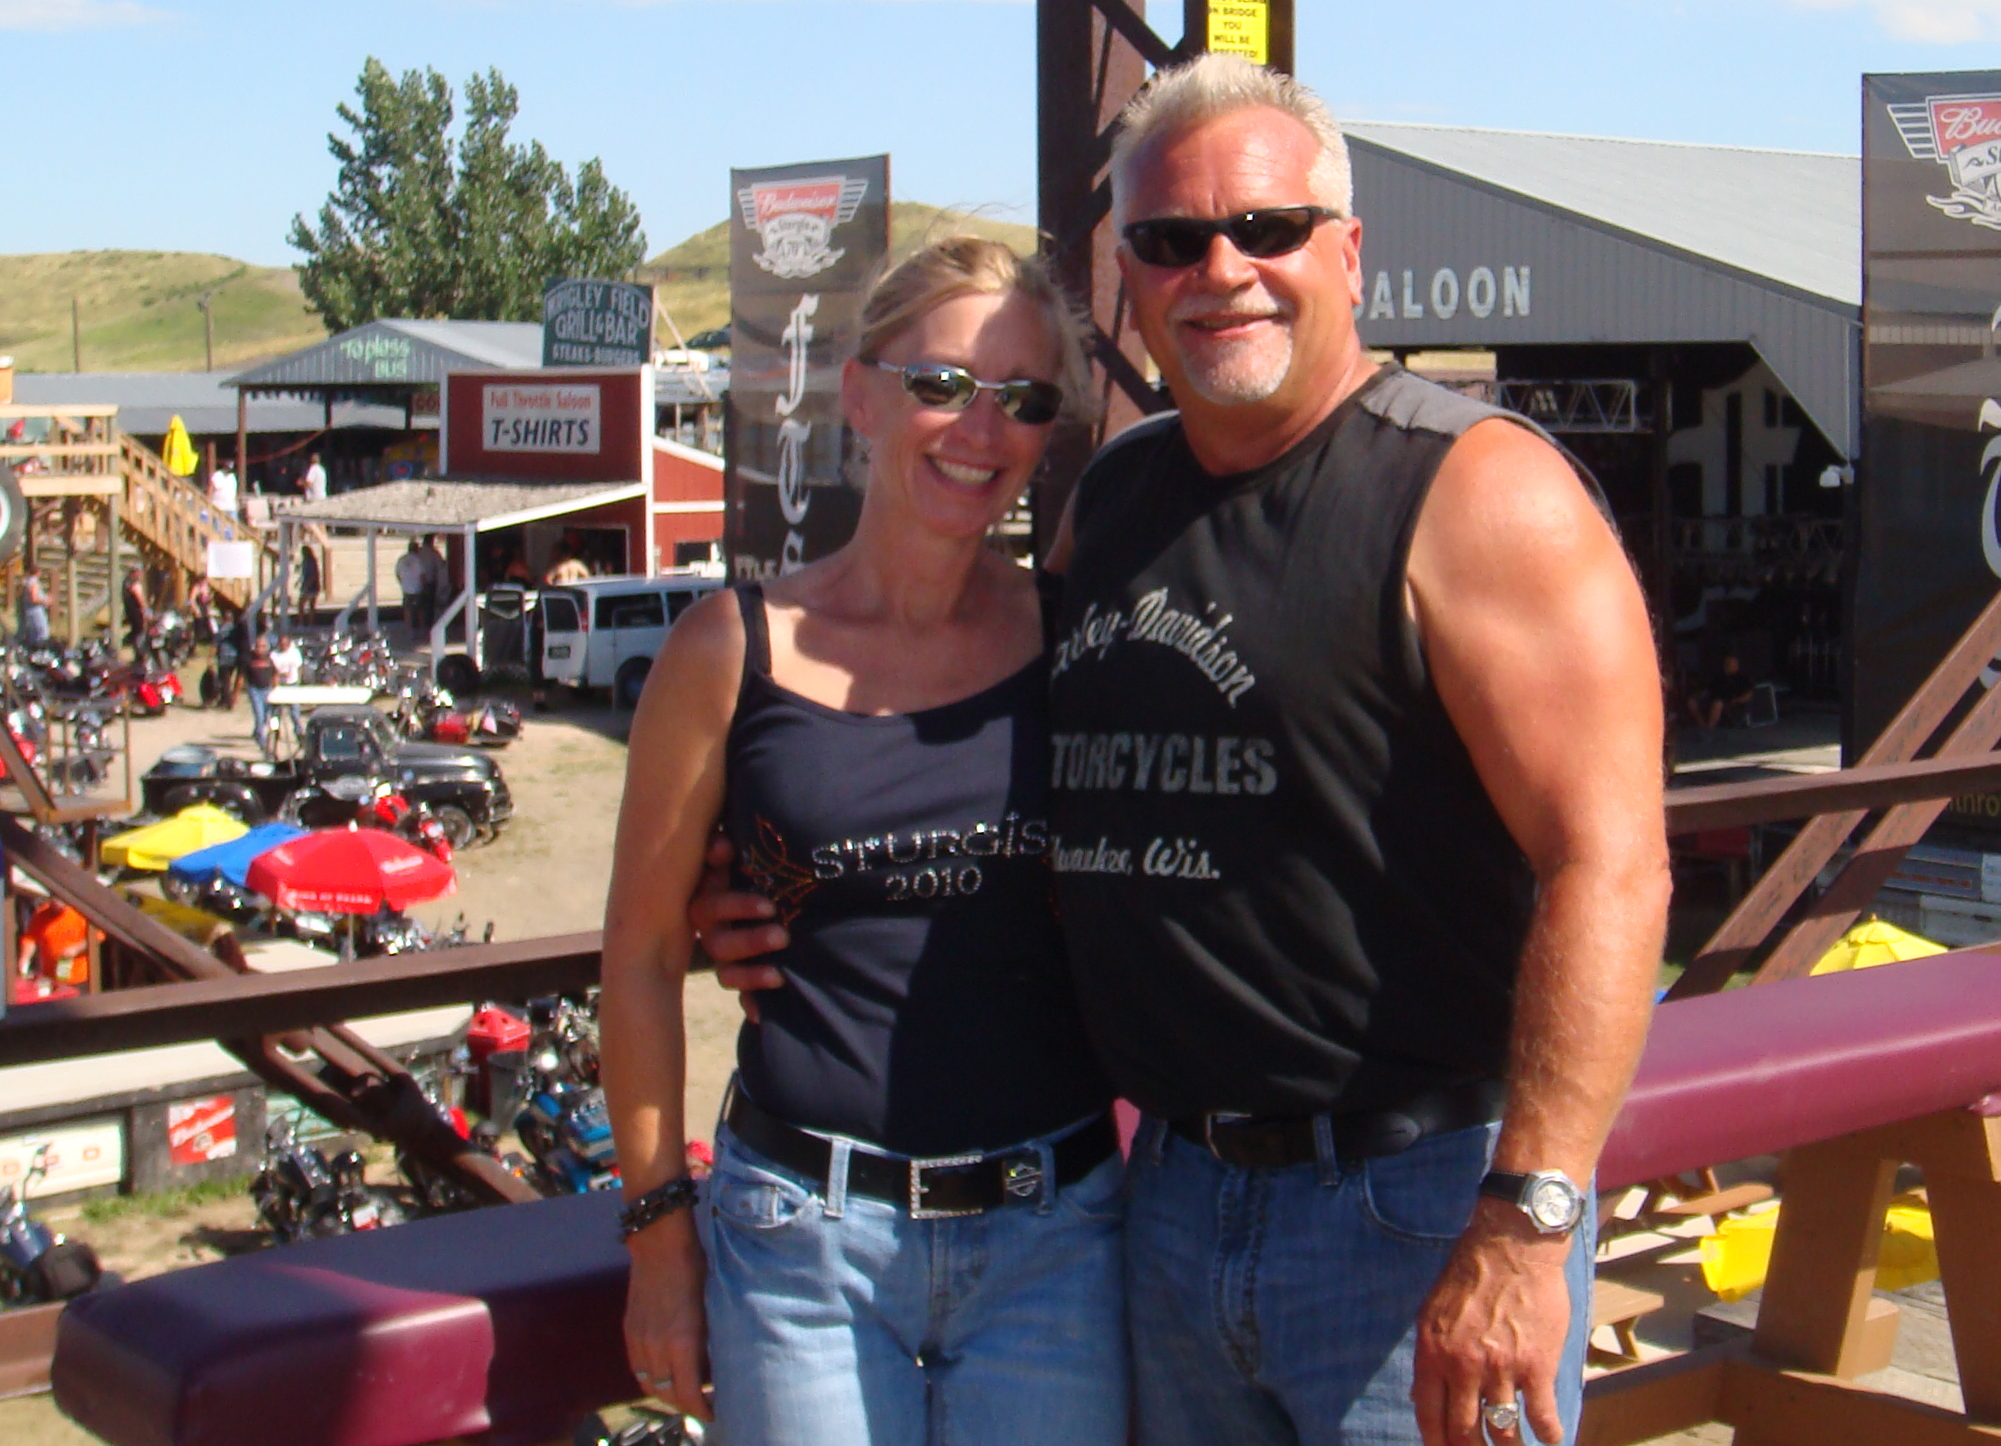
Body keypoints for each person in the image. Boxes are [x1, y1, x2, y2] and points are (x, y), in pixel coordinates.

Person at [703, 55, 1669, 1446]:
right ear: (1132, 280)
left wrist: (1529, 1220)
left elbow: (1613, 866)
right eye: (1169, 239)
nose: (1221, 268)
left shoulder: (1474, 493)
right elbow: (980, 768)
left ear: (1347, 250)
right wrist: (758, 878)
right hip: (1165, 1201)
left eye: (1265, 228)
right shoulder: (1114, 498)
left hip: (1410, 1206)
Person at [600, 237, 1125, 1446]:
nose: (979, 429)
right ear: (862, 393)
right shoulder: (728, 650)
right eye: (941, 383)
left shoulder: (1076, 640)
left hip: (1056, 1234)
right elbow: (633, 956)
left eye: (1024, 400)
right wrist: (656, 1234)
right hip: (801, 1243)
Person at [1687, 651, 1756, 730]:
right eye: (1727, 663)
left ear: (1736, 664)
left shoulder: (1742, 678)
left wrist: (1737, 700)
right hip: (1713, 699)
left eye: (1731, 663)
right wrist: (1699, 694)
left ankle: (1709, 729)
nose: (1728, 665)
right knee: (1691, 701)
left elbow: (1749, 694)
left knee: (1718, 703)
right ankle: (1702, 726)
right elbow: (1709, 689)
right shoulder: (1720, 677)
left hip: (1731, 703)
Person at [242, 635, 277, 756]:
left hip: (267, 689)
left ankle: (257, 732)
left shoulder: (269, 659)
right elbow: (242, 676)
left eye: (263, 646)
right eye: (258, 646)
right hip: (254, 690)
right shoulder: (249, 659)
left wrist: (275, 689)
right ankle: (261, 742)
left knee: (267, 716)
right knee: (259, 715)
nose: (260, 649)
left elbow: (274, 674)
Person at [270, 631, 304, 747]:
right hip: (279, 687)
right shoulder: (274, 655)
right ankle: (275, 733)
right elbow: (272, 671)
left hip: (292, 685)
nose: (283, 646)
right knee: (275, 714)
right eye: (281, 644)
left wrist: (298, 681)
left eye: (285, 644)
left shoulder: (294, 653)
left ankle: (299, 734)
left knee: (295, 712)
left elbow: (299, 668)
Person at [396, 540, 429, 640]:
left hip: (406, 588)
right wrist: (425, 587)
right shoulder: (418, 560)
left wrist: (403, 583)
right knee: (420, 610)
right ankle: (421, 630)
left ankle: (409, 630)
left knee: (408, 610)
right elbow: (422, 575)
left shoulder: (401, 559)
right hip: (417, 588)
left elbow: (397, 574)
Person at [120, 566, 152, 665]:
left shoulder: (126, 582)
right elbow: (140, 599)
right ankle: (139, 654)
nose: (141, 574)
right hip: (137, 613)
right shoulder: (134, 584)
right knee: (139, 633)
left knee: (135, 632)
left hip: (130, 612)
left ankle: (136, 651)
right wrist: (146, 611)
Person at [17, 567, 49, 645]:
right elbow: (33, 598)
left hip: (28, 610)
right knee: (41, 631)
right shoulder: (33, 583)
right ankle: (39, 649)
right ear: (38, 572)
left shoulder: (26, 582)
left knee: (32, 631)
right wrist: (45, 601)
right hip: (35, 610)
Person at [298, 542, 323, 619]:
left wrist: (306, 585)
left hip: (310, 585)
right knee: (311, 605)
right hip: (313, 584)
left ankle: (301, 622)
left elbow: (312, 575)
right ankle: (309, 622)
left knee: (301, 604)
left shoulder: (309, 562)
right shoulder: (309, 561)